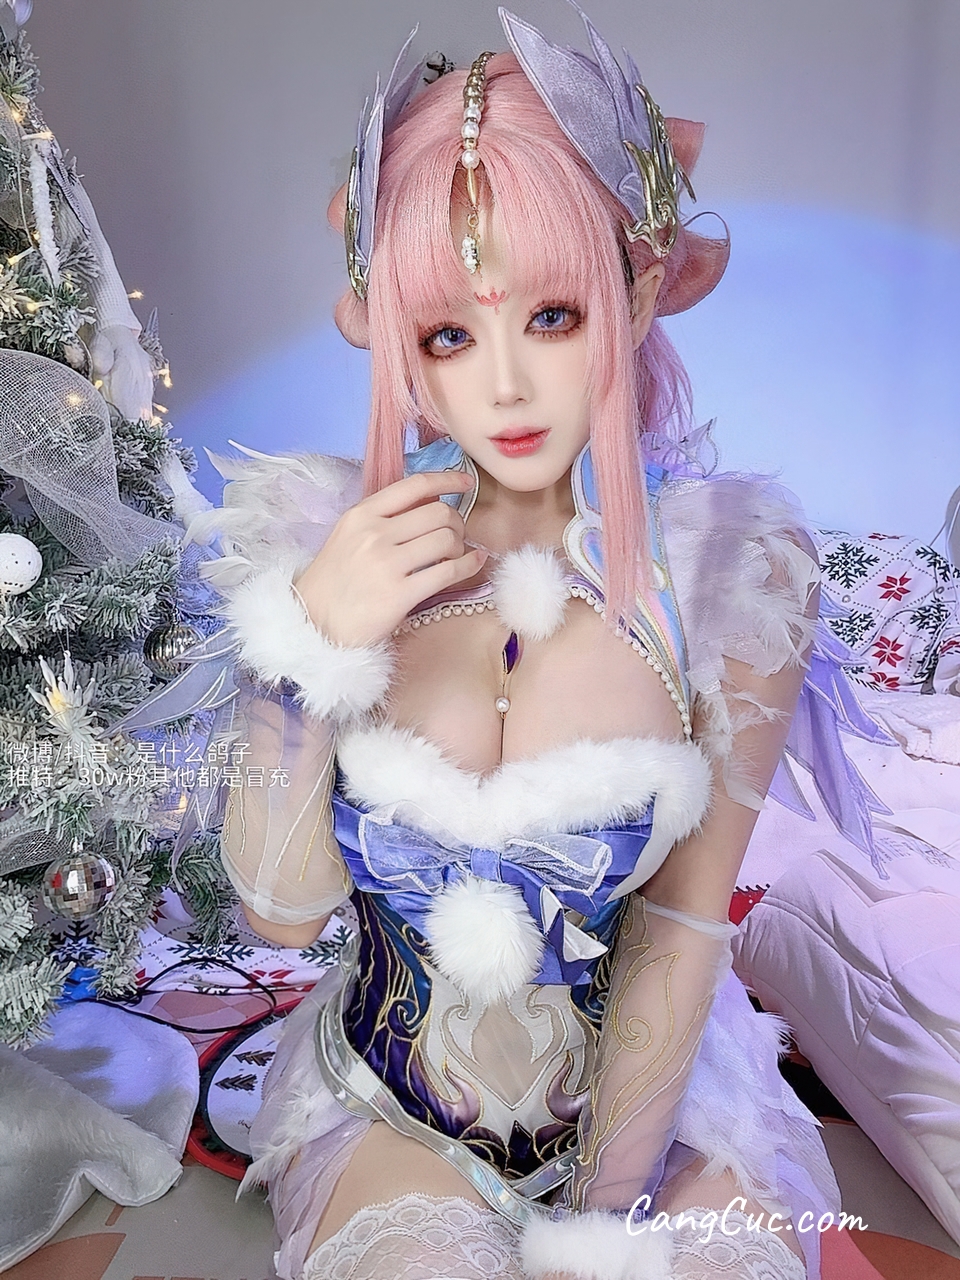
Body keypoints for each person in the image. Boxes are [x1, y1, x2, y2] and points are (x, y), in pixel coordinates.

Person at [196, 9, 851, 1278]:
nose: (501, 386)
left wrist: (595, 1226)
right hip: (389, 1106)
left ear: (639, 290)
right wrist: (310, 645)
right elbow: (278, 914)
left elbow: (681, 929)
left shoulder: (731, 566)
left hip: (666, 1107)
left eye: (551, 314)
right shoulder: (320, 533)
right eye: (448, 332)